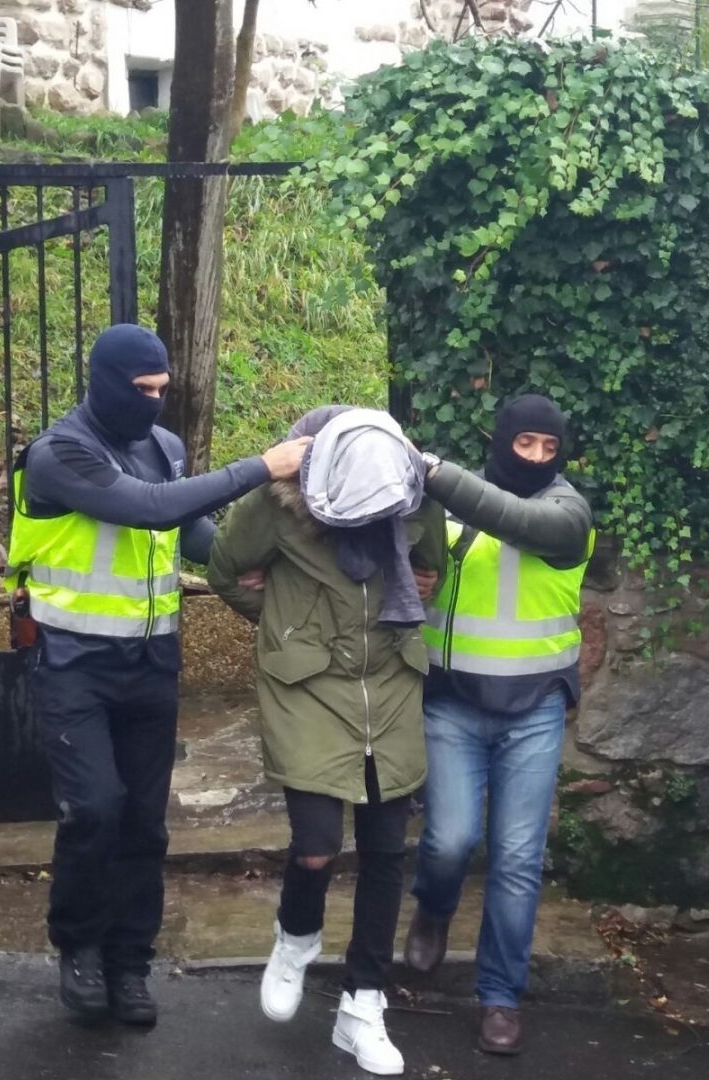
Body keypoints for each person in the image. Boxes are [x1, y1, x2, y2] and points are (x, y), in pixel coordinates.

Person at [3, 324, 310, 1025]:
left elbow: (189, 534)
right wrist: (261, 467)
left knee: (144, 824)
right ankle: (77, 948)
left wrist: (260, 563)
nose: (155, 401)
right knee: (95, 809)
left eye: (164, 389)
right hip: (74, 664)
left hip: (150, 664)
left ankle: (129, 963)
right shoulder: (59, 454)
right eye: (143, 390)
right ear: (108, 382)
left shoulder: (165, 448)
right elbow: (148, 508)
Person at [207, 406, 445, 1077]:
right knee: (315, 846)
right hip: (308, 687)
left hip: (391, 683)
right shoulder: (277, 506)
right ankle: (296, 936)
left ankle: (362, 1007)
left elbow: (432, 572)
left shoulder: (412, 496)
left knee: (384, 854)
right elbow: (226, 572)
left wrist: (425, 585)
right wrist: (282, 621)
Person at [403, 394, 594, 1056]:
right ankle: (433, 907)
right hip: (453, 701)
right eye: (526, 445)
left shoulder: (568, 512)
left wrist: (435, 470)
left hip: (534, 708)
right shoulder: (448, 510)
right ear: (503, 441)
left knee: (517, 858)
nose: (539, 458)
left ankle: (500, 997)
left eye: (550, 447)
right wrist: (415, 576)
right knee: (450, 840)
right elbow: (406, 561)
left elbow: (513, 518)